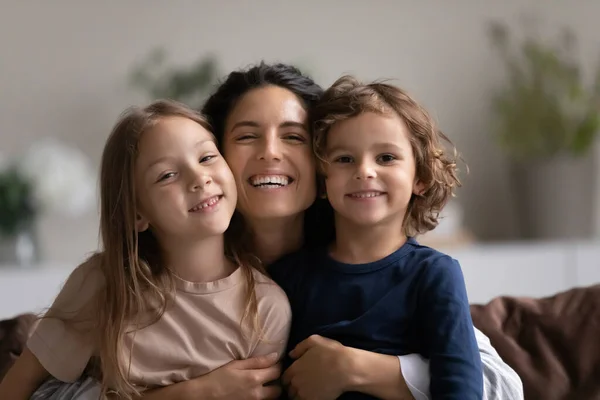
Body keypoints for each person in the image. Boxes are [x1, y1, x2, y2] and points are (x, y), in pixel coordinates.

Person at [201, 62, 523, 400]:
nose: (270, 151)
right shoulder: (261, 277)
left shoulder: (429, 273)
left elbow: (498, 387)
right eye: (247, 136)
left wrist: (356, 369)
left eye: (293, 136)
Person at [0, 100, 291, 400]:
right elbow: (17, 387)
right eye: (167, 175)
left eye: (206, 157)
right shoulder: (105, 283)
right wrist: (198, 392)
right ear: (137, 214)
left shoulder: (265, 307)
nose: (198, 178)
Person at [270, 75, 483, 399]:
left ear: (421, 177)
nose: (364, 171)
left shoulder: (435, 275)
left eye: (386, 158)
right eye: (344, 159)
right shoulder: (289, 277)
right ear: (323, 180)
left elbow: (461, 388)